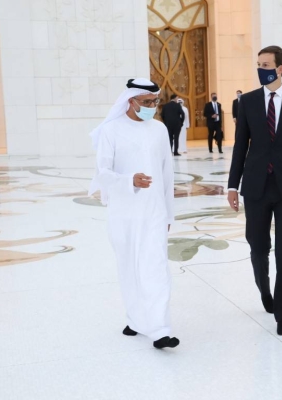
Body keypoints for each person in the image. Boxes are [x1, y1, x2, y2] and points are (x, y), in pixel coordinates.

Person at [227, 45, 282, 336]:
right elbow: (241, 146)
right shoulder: (248, 102)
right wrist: (232, 184)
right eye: (258, 63)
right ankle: (265, 291)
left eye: (265, 64)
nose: (261, 69)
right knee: (258, 247)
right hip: (255, 186)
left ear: (280, 68)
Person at [88, 78, 179, 350]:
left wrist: (169, 216)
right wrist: (129, 180)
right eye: (147, 102)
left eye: (155, 102)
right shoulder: (111, 131)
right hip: (123, 212)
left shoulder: (160, 130)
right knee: (129, 268)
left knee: (155, 267)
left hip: (153, 212)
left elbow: (167, 176)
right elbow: (102, 173)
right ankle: (136, 320)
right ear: (131, 101)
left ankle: (160, 328)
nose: (153, 107)